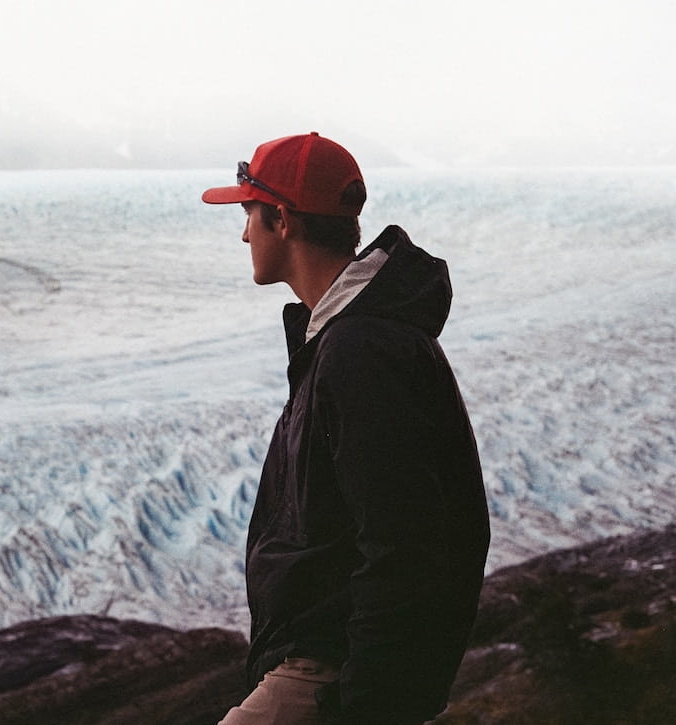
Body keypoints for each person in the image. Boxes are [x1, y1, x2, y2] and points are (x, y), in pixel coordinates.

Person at [202, 133, 490, 724]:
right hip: (324, 669)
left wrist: (369, 705)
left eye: (247, 213)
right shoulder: (347, 339)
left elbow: (405, 545)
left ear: (280, 219)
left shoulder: (362, 351)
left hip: (324, 676)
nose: (243, 233)